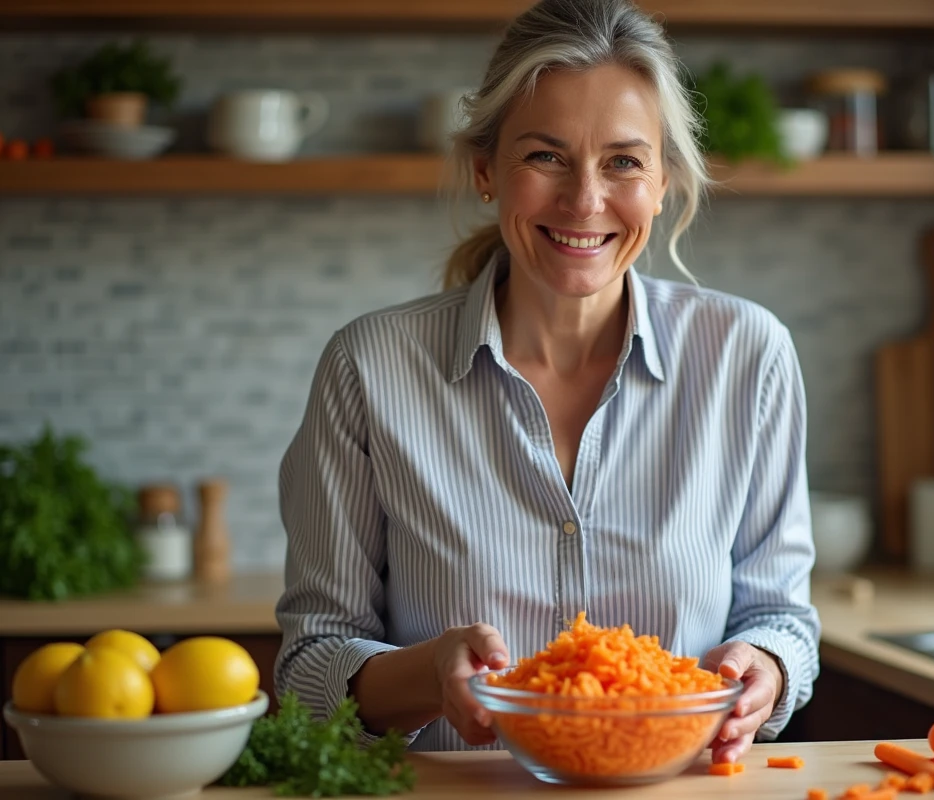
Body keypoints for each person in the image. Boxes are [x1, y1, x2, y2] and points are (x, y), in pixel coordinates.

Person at [275, 0, 820, 763]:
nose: (585, 200)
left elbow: (780, 618)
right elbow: (309, 668)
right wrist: (428, 674)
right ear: (486, 170)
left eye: (624, 161)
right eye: (546, 157)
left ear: (663, 182)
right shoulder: (368, 368)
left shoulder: (748, 355)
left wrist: (763, 668)